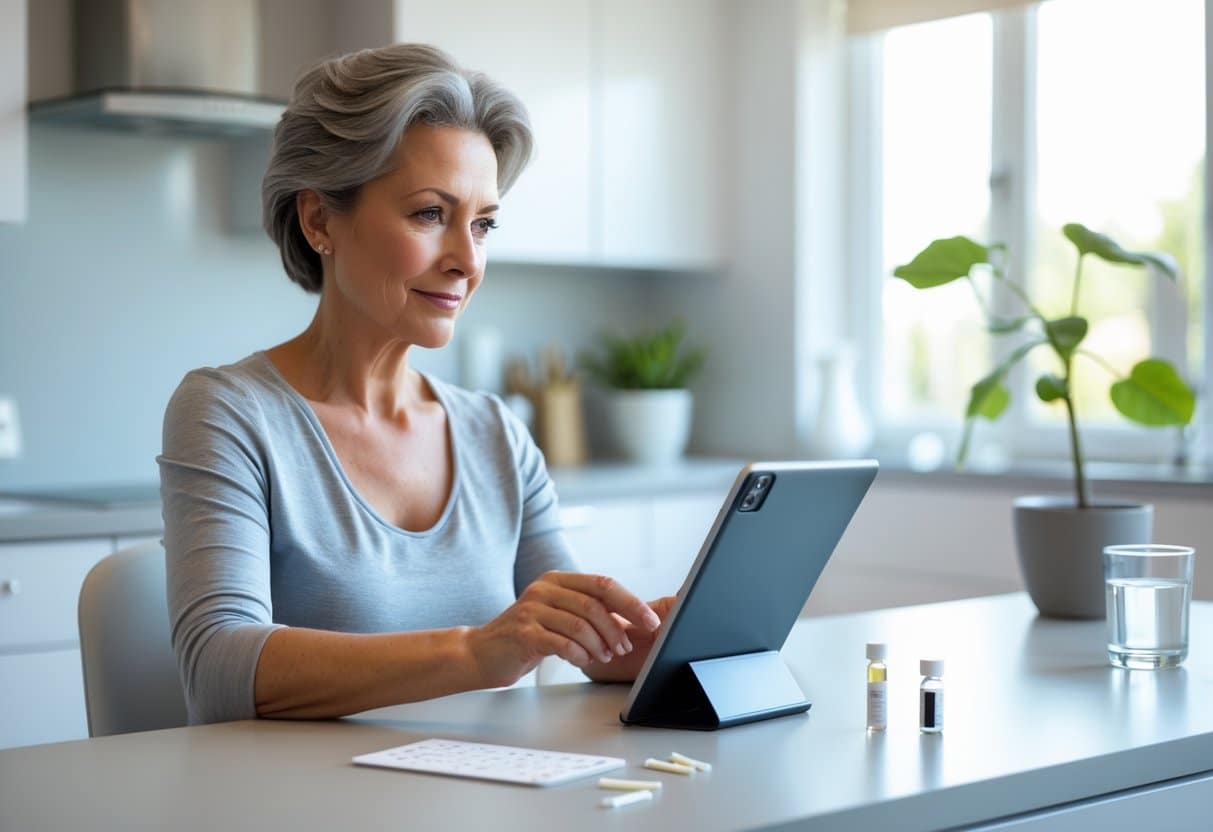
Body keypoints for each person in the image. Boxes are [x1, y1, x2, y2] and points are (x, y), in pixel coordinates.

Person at [158, 43, 674, 725]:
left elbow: (573, 642)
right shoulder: (229, 413)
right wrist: (473, 653)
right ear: (318, 220)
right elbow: (217, 669)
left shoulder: (495, 433)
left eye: (483, 224)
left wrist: (644, 636)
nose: (466, 260)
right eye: (430, 214)